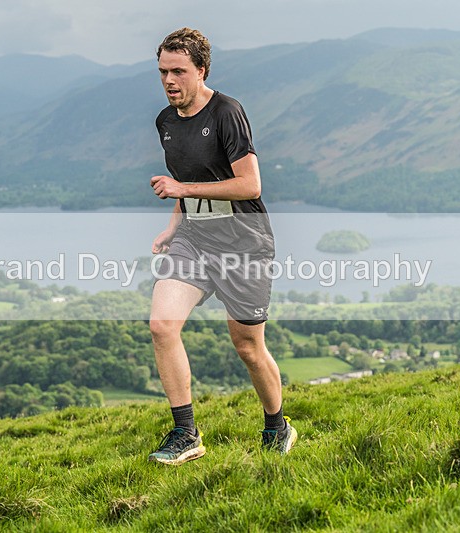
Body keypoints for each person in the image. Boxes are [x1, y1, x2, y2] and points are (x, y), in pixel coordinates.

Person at [147, 27, 297, 465]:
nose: (170, 81)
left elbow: (249, 185)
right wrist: (175, 226)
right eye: (162, 72)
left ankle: (277, 426)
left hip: (243, 243)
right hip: (194, 239)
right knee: (162, 325)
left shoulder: (228, 112)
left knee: (248, 346)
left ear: (201, 70)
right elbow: (188, 182)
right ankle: (186, 433)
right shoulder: (166, 121)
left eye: (178, 71)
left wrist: (180, 190)